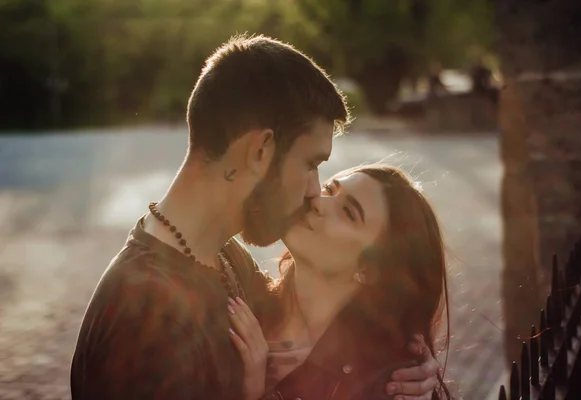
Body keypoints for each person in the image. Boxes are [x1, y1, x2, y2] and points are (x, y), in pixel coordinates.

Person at [70, 35, 441, 399]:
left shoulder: (229, 263)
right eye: (311, 164)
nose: (314, 191)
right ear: (260, 151)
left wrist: (402, 353)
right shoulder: (144, 320)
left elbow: (327, 316)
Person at [228, 164, 451, 399]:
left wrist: (252, 392)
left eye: (348, 212)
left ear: (371, 268)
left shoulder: (383, 382)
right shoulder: (241, 290)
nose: (317, 202)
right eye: (328, 189)